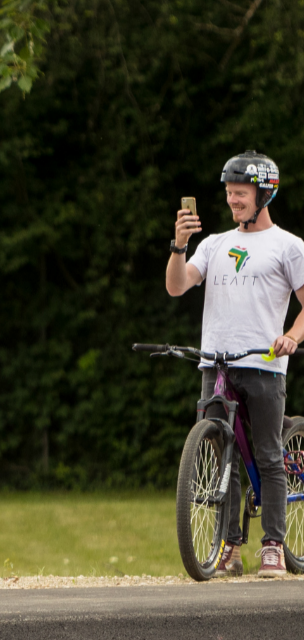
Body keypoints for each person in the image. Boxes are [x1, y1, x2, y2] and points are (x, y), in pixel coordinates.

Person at [166, 150, 304, 577]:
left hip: (263, 365)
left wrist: (291, 337)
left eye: (240, 193)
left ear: (264, 194)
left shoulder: (289, 246)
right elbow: (176, 287)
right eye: (229, 193)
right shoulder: (215, 244)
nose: (232, 201)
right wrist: (179, 245)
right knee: (220, 449)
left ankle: (274, 545)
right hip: (216, 363)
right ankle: (229, 548)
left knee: (266, 454)